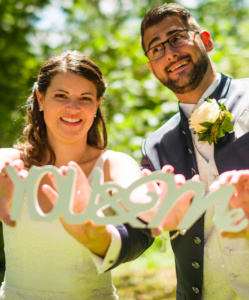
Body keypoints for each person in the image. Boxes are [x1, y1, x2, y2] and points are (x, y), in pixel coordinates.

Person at [136, 3, 249, 300]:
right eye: (156, 49)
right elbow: (139, 227)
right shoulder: (155, 145)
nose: (169, 53)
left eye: (176, 37)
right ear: (151, 68)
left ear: (206, 40)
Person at [0, 50, 156, 299]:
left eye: (85, 98)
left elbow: (141, 202)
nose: (73, 108)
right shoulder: (10, 161)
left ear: (97, 104)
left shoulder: (113, 164)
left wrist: (159, 207)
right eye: (61, 96)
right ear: (41, 99)